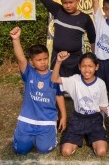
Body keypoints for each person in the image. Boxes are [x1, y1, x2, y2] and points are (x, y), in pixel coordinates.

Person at [23, 0, 96, 77]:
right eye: (65, 3)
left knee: (74, 91)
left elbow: (93, 39)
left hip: (75, 60)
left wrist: (93, 58)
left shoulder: (85, 18)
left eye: (71, 2)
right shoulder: (57, 10)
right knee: (57, 89)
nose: (68, 6)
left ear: (78, 0)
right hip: (56, 59)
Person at [9, 27, 67, 155]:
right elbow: (20, 58)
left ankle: (44, 138)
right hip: (27, 119)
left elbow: (59, 95)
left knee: (44, 149)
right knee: (20, 150)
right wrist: (16, 39)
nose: (43, 62)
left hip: (47, 120)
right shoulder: (29, 73)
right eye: (39, 60)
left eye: (45, 59)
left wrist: (63, 115)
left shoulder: (54, 75)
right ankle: (24, 136)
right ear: (32, 61)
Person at [51, 51, 109, 157]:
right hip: (78, 119)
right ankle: (79, 137)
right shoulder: (75, 80)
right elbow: (54, 79)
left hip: (95, 120)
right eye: (84, 66)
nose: (87, 69)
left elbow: (102, 105)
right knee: (66, 152)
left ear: (96, 67)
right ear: (79, 67)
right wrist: (58, 62)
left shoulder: (101, 83)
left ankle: (92, 137)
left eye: (90, 66)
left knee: (101, 152)